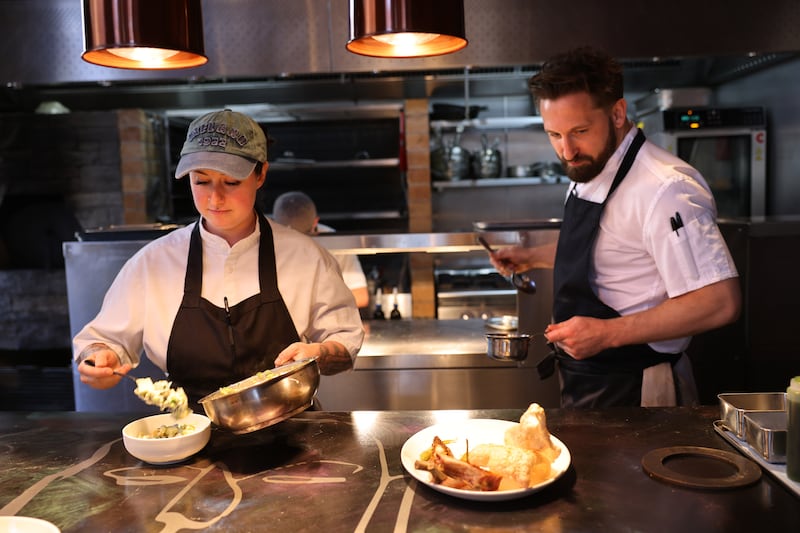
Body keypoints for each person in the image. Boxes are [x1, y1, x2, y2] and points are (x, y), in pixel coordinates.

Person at [487, 46, 741, 408]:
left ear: (618, 113)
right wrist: (532, 257)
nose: (567, 151)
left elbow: (719, 301)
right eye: (554, 135)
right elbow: (610, 250)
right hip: (587, 378)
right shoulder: (590, 167)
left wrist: (607, 333)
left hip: (641, 388)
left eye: (579, 130)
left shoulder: (666, 189)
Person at [73, 109, 364, 407]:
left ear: (261, 174)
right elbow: (103, 341)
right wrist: (99, 358)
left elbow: (345, 347)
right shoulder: (153, 262)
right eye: (201, 182)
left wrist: (321, 353)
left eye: (231, 182)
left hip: (293, 428)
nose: (215, 199)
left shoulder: (306, 257)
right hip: (189, 431)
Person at [271, 191, 370, 308]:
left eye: (303, 235)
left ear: (315, 222)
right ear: (273, 223)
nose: (296, 245)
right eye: (287, 236)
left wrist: (314, 309)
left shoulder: (335, 242)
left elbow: (360, 296)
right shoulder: (263, 240)